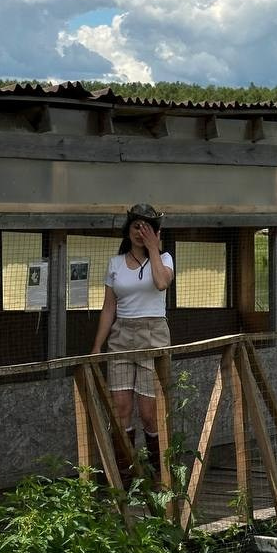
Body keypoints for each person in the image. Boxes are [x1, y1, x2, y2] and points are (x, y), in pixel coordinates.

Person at [91, 204, 174, 486]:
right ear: (127, 230)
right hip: (122, 338)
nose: (140, 232)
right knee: (121, 408)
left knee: (150, 413)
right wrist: (97, 346)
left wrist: (153, 247)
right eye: (136, 227)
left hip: (153, 334)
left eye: (147, 227)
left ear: (157, 232)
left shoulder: (164, 259)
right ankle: (123, 478)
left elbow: (162, 283)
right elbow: (108, 308)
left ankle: (159, 476)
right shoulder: (115, 264)